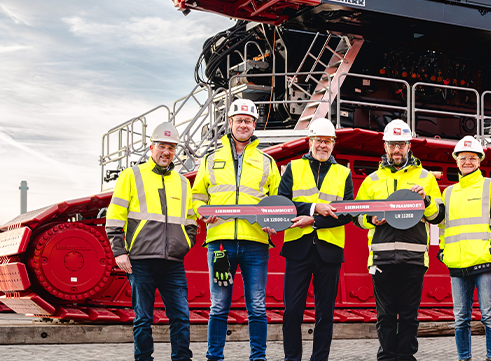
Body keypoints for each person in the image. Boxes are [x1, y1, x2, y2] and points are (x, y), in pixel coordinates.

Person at [191, 98, 280, 361]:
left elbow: (276, 201)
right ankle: (214, 357)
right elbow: (197, 198)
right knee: (218, 306)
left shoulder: (267, 162)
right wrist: (203, 214)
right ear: (230, 123)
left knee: (257, 306)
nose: (243, 124)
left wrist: (272, 223)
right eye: (239, 120)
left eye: (248, 121)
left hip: (255, 242)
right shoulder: (210, 160)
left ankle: (258, 358)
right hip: (220, 243)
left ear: (254, 126)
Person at [106, 121, 199, 361]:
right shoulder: (131, 176)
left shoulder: (182, 182)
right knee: (143, 318)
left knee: (181, 316)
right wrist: (119, 252)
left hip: (173, 263)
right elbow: (115, 216)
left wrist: (185, 244)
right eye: (162, 146)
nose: (166, 152)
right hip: (141, 260)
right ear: (151, 147)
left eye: (171, 147)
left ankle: (182, 358)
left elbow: (190, 220)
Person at [355, 119, 445, 361]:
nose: (397, 150)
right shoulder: (372, 179)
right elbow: (357, 216)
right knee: (385, 315)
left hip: (414, 258)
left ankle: (406, 357)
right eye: (392, 145)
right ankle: (386, 357)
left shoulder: (426, 178)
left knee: (408, 315)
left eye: (401, 144)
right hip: (381, 257)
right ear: (385, 146)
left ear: (409, 146)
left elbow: (438, 216)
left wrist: (426, 200)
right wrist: (371, 219)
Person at [279, 118, 355, 361]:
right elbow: (283, 205)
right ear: (310, 141)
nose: (323, 145)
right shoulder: (293, 168)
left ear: (334, 144)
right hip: (297, 250)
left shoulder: (344, 173)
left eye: (328, 141)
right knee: (292, 311)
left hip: (329, 251)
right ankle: (292, 358)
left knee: (325, 313)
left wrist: (314, 220)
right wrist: (313, 207)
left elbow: (347, 212)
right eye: (319, 140)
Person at [438, 136, 491, 361]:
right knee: (460, 319)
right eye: (463, 158)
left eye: (472, 158)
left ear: (479, 161)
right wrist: (442, 250)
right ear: (456, 162)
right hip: (457, 262)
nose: (467, 162)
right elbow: (443, 227)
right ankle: (464, 358)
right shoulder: (448, 192)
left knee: (489, 316)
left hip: (484, 260)